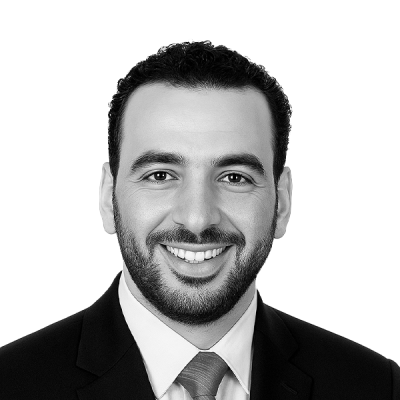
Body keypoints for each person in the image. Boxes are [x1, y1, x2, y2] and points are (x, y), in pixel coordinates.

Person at [0, 41, 398, 400]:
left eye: (234, 178)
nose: (196, 218)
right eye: (160, 175)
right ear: (108, 196)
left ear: (282, 203)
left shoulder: (377, 387)